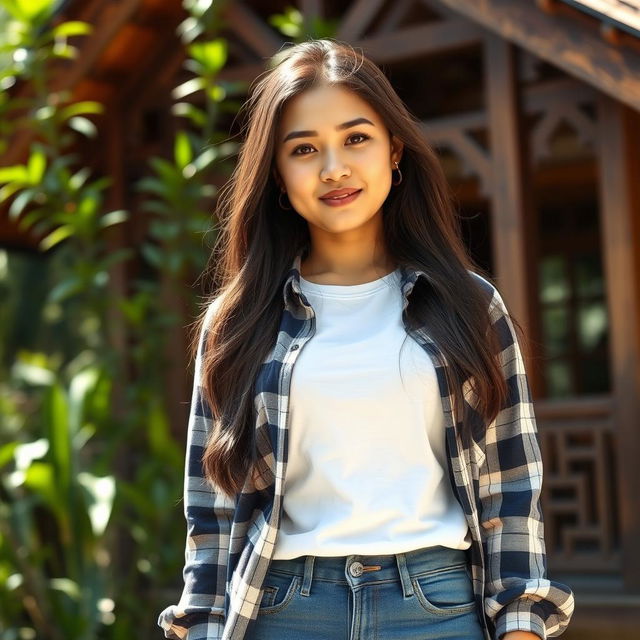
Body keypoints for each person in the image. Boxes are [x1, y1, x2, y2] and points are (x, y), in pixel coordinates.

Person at [157, 38, 574, 640]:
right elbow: (212, 510)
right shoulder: (238, 321)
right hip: (283, 610)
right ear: (277, 174)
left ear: (394, 151)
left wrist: (521, 626)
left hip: (440, 607)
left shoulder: (469, 305)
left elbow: (511, 487)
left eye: (356, 138)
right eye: (304, 149)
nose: (334, 168)